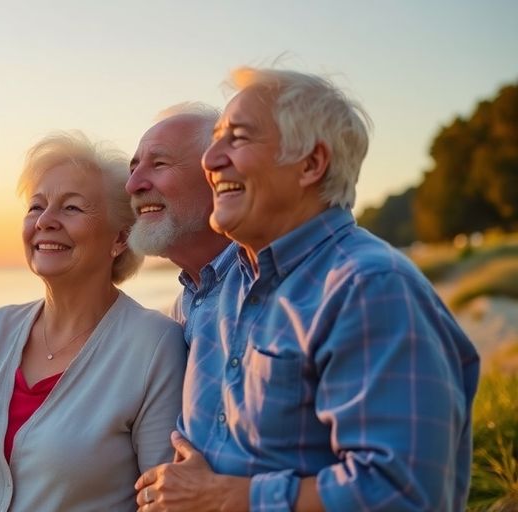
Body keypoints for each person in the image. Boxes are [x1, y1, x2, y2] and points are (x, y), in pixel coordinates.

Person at [135, 68, 480, 511]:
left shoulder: (369, 287)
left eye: (236, 139)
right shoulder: (222, 289)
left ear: (311, 164)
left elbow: (402, 490)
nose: (210, 160)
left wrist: (226, 498)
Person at [0, 131, 187, 511]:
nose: (45, 221)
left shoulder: (155, 344)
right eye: (36, 207)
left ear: (120, 239)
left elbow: (160, 502)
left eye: (71, 208)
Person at [126, 102, 234, 331]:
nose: (132, 184)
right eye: (133, 169)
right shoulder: (183, 309)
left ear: (219, 178)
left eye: (159, 164)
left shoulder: (270, 286)